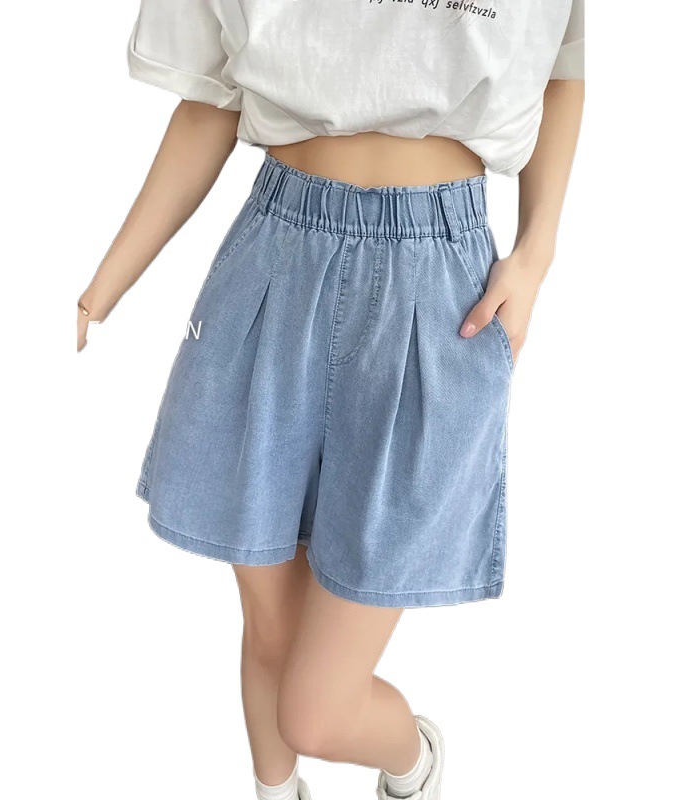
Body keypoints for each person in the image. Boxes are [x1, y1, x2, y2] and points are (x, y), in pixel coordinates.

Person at [77, 2, 585, 798]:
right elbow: (210, 103)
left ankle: (412, 762)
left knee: (315, 710)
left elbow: (561, 65)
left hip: (438, 287)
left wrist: (536, 251)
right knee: (270, 629)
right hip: (276, 256)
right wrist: (101, 287)